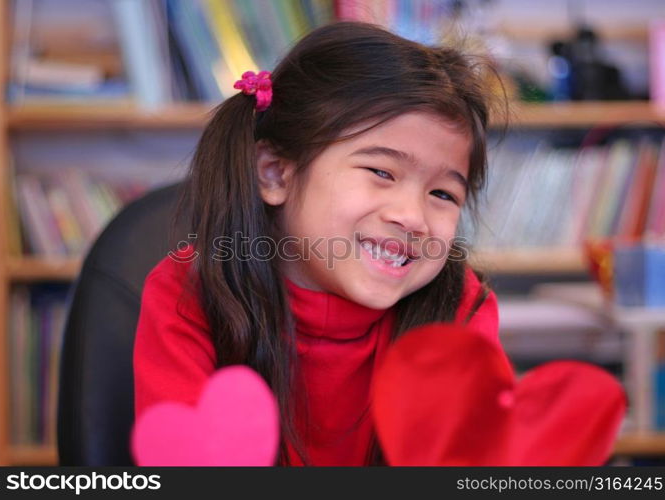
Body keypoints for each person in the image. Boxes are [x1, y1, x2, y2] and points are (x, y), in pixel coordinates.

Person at [134, 21, 502, 466]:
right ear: (275, 173)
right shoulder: (189, 291)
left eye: (443, 194)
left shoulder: (460, 306)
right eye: (381, 172)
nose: (413, 217)